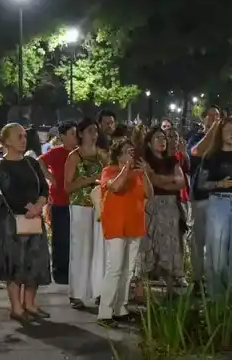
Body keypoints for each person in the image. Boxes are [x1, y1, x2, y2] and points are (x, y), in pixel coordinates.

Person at [0, 123, 51, 322]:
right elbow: (10, 193)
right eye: (18, 136)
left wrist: (39, 205)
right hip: (13, 222)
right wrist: (30, 208)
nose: (23, 139)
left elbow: (44, 187)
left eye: (24, 136)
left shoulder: (31, 162)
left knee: (35, 261)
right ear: (7, 141)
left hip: (34, 219)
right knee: (15, 263)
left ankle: (31, 304)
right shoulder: (2, 166)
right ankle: (17, 308)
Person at [197, 116, 232, 296]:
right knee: (217, 252)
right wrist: (220, 184)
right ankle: (217, 297)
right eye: (229, 130)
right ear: (220, 133)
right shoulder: (211, 155)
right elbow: (202, 183)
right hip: (219, 202)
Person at [98, 138, 153, 327]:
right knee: (115, 268)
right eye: (128, 151)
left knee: (128, 270)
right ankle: (105, 312)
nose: (132, 153)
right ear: (119, 154)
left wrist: (144, 173)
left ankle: (121, 308)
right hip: (116, 225)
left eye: (133, 151)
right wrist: (125, 169)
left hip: (135, 225)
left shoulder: (138, 173)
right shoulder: (109, 171)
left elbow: (150, 194)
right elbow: (115, 186)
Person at [64, 118, 107, 307]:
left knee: (100, 250)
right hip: (81, 205)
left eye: (96, 131)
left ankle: (99, 291)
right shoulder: (74, 156)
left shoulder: (103, 155)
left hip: (100, 206)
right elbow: (68, 187)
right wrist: (91, 179)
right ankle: (77, 294)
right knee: (81, 249)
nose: (94, 134)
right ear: (81, 133)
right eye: (90, 131)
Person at [138, 127, 186, 291]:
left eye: (164, 138)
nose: (162, 141)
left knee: (170, 240)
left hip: (170, 204)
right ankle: (150, 275)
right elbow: (152, 184)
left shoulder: (172, 161)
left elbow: (181, 182)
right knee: (150, 239)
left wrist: (157, 177)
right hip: (151, 202)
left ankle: (174, 275)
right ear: (149, 143)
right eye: (158, 138)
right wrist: (168, 180)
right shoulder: (145, 161)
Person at [38, 120, 77, 285]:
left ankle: (72, 270)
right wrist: (50, 177)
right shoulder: (56, 152)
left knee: (73, 238)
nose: (76, 137)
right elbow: (39, 162)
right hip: (59, 200)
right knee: (60, 238)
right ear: (62, 137)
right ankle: (60, 273)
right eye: (72, 134)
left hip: (76, 201)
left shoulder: (79, 153)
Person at [187, 104, 222, 282]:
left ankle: (213, 277)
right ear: (203, 119)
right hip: (201, 195)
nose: (214, 118)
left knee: (217, 240)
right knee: (199, 239)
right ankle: (197, 277)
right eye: (210, 115)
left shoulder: (224, 141)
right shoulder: (196, 138)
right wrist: (214, 131)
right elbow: (197, 152)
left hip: (221, 197)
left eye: (217, 116)